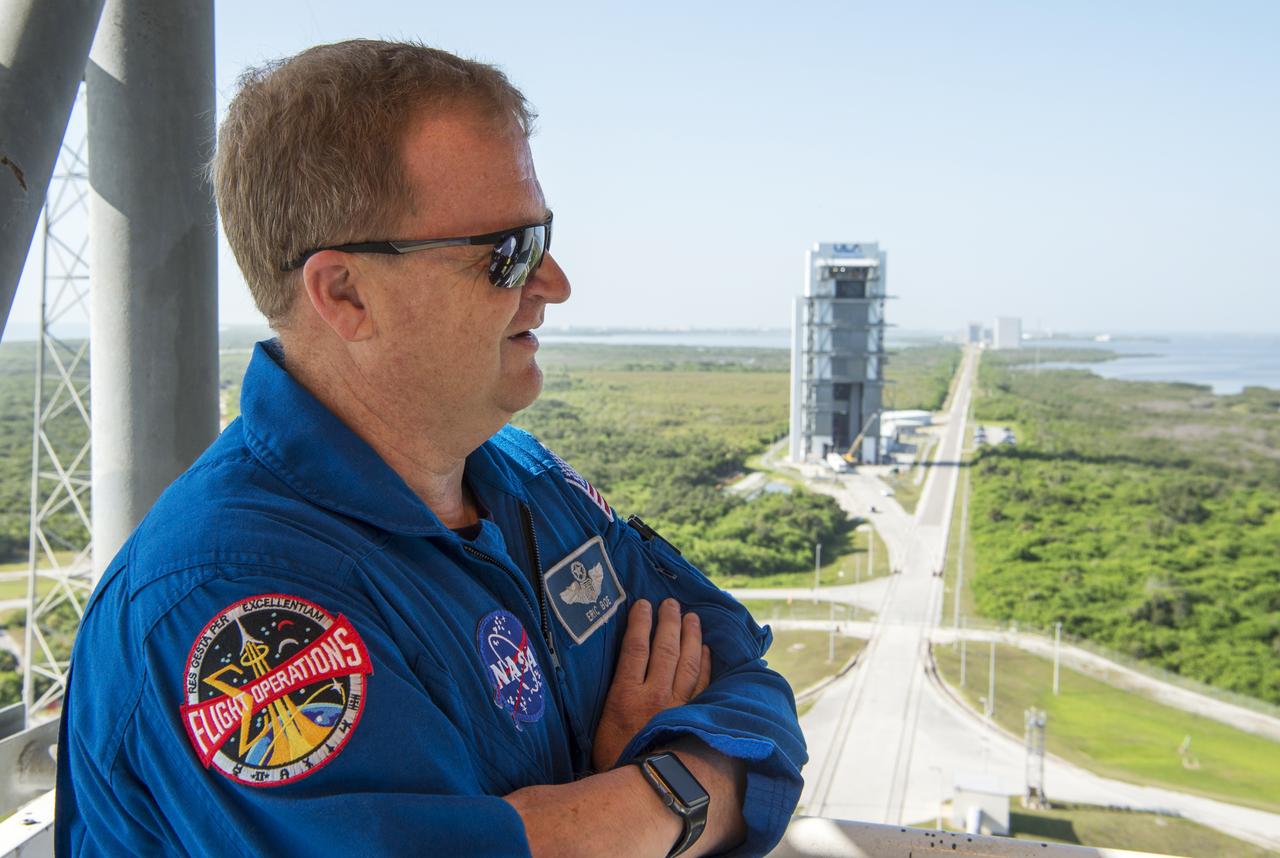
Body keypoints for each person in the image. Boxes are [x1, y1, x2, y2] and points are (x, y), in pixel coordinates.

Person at [56, 40, 805, 857]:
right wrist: (665, 794)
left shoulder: (528, 482)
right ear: (346, 293)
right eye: (507, 251)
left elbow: (751, 693)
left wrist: (603, 815)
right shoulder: (228, 601)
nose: (554, 283)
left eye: (543, 235)